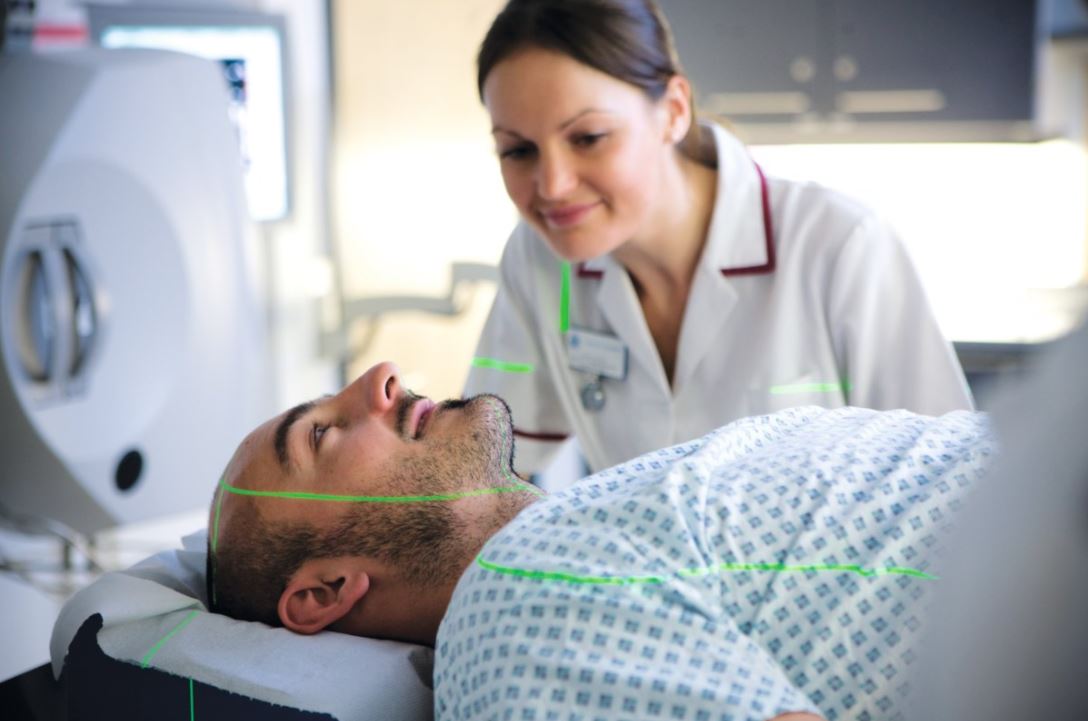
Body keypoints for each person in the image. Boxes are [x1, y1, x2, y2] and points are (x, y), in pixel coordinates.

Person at [208, 361, 993, 721]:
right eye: (320, 433)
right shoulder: (509, 612)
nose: (378, 378)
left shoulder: (584, 525)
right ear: (322, 592)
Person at [463, 0, 973, 478]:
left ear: (674, 110)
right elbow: (488, 472)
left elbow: (948, 482)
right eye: (518, 151)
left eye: (588, 138)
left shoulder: (840, 246)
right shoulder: (537, 261)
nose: (552, 185)